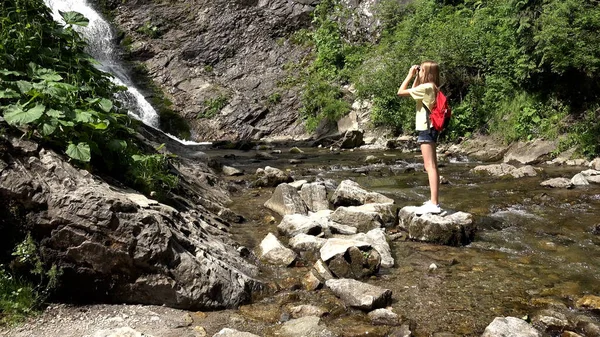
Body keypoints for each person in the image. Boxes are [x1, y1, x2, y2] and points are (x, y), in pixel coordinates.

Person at [397, 61, 442, 215]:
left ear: (427, 73)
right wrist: (417, 76)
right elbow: (415, 91)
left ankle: (434, 204)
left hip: (426, 129)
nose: (419, 72)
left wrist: (410, 75)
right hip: (431, 128)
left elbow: (401, 92)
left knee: (430, 166)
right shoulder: (431, 87)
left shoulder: (427, 87)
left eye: (422, 70)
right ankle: (434, 201)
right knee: (432, 166)